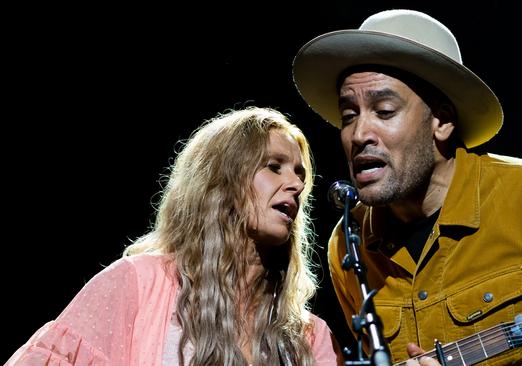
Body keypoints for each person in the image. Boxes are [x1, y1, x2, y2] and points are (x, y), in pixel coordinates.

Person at [292, 9, 522, 366]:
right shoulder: (348, 244)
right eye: (349, 116)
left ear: (443, 121)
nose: (358, 135)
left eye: (384, 111)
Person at [6, 106, 343, 365]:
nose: (297, 185)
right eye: (274, 166)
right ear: (222, 183)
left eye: (300, 174)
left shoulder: (309, 338)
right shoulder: (137, 284)